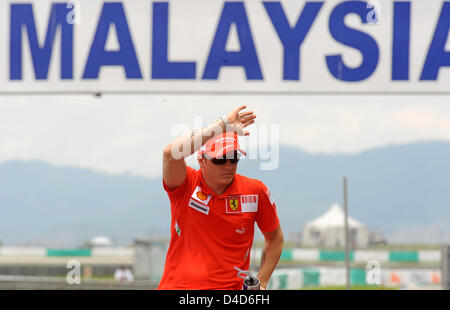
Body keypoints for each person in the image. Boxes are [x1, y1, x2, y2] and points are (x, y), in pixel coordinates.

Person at [158, 106, 284, 290]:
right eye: (219, 159)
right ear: (202, 161)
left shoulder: (255, 191)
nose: (228, 165)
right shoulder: (186, 184)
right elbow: (170, 154)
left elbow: (275, 239)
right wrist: (223, 124)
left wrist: (262, 282)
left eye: (234, 158)